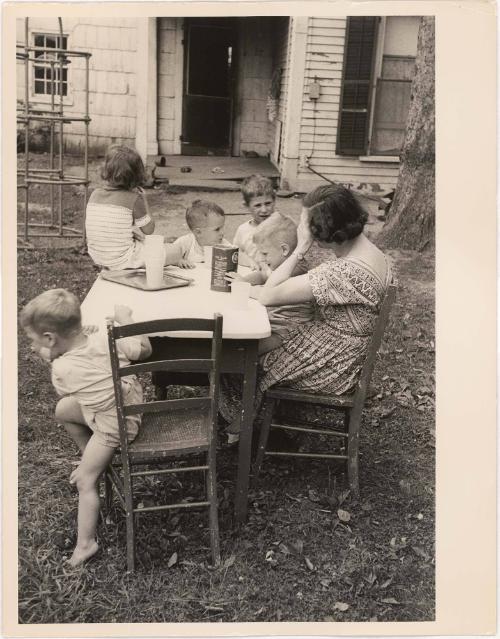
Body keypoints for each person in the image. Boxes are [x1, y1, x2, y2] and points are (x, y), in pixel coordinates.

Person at [219, 183, 393, 441]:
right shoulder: (369, 252)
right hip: (340, 348)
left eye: (306, 226)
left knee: (238, 356)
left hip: (335, 364)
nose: (303, 230)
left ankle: (242, 425)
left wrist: (299, 249)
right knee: (256, 343)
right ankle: (252, 418)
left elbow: (268, 295)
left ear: (323, 231)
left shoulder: (344, 272)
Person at [20, 289, 152, 567]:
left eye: (34, 342)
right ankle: (92, 460)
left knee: (85, 481)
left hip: (115, 425)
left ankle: (86, 544)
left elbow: (65, 376)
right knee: (63, 411)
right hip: (127, 405)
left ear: (50, 338)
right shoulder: (107, 337)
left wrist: (54, 354)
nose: (33, 348)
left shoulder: (62, 371)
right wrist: (123, 321)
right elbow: (142, 349)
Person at [228, 211, 314, 356]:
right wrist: (244, 280)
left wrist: (244, 287)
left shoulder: (295, 269)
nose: (261, 258)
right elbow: (263, 275)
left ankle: (240, 375)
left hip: (289, 330)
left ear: (284, 249)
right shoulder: (280, 264)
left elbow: (267, 294)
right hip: (274, 322)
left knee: (246, 351)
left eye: (265, 253)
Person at [85, 144, 181, 269]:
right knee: (175, 250)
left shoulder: (95, 194)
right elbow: (149, 230)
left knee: (144, 242)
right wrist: (144, 200)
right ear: (136, 175)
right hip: (125, 260)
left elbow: (105, 228)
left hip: (98, 257)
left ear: (106, 169)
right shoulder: (133, 198)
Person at [233, 174, 276, 268]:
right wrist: (248, 262)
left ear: (274, 201)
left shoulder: (282, 226)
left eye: (268, 203)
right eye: (257, 205)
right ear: (246, 206)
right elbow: (236, 253)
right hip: (252, 274)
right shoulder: (243, 230)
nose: (264, 210)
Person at [173, 200, 233, 267]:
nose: (222, 232)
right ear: (198, 232)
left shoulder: (223, 245)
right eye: (217, 229)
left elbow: (234, 258)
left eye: (222, 228)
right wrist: (178, 261)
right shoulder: (186, 242)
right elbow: (167, 255)